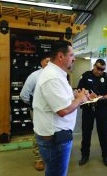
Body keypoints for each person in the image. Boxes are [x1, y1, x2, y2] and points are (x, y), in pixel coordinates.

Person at [32, 40, 90, 176]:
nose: (74, 59)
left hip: (57, 136)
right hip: (55, 139)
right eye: (71, 55)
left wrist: (75, 95)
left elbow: (60, 100)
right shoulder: (52, 77)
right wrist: (80, 99)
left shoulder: (57, 74)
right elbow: (63, 110)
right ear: (60, 56)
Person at [77, 59, 107, 167]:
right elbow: (79, 91)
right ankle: (84, 155)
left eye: (102, 69)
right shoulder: (85, 76)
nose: (100, 71)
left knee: (103, 133)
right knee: (86, 133)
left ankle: (106, 156)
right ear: (94, 66)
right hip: (88, 109)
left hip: (102, 109)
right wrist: (88, 95)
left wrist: (103, 97)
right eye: (98, 68)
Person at [20, 54, 50, 171]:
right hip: (38, 111)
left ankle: (49, 156)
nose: (49, 63)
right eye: (47, 61)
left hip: (52, 112)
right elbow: (24, 95)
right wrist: (34, 105)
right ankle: (38, 159)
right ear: (42, 63)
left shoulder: (57, 74)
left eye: (51, 61)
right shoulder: (35, 76)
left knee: (50, 134)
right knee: (38, 133)